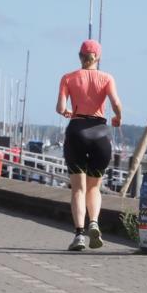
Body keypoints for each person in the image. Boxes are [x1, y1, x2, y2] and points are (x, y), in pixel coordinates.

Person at [56, 39, 122, 251]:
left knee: (78, 188)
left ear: (79, 56)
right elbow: (116, 103)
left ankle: (79, 235)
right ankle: (94, 222)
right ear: (98, 57)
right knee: (94, 187)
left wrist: (67, 112)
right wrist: (118, 118)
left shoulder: (68, 78)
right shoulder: (106, 78)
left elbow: (60, 107)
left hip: (76, 131)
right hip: (100, 133)